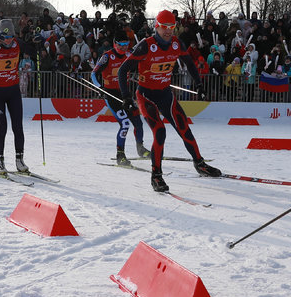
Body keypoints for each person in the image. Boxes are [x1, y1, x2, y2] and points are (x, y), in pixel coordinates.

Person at [118, 10, 221, 193]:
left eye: (171, 27)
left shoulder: (176, 43)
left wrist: (199, 84)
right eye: (164, 27)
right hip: (146, 96)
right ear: (156, 26)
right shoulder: (146, 45)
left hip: (166, 95)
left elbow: (189, 63)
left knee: (184, 128)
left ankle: (199, 164)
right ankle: (156, 176)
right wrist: (126, 96)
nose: (168, 31)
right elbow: (123, 70)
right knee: (160, 132)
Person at [90, 31, 149, 165]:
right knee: (125, 124)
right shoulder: (107, 56)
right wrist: (100, 87)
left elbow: (138, 66)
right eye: (121, 44)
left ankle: (141, 148)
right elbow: (94, 74)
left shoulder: (129, 55)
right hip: (111, 95)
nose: (123, 47)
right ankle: (120, 155)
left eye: (126, 44)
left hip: (125, 94)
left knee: (138, 122)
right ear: (115, 44)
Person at [0, 19, 27, 174]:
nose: (8, 40)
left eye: (10, 37)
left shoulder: (17, 43)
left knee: (18, 127)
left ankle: (19, 160)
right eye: (5, 37)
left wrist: (37, 42)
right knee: (2, 128)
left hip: (13, 92)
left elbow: (33, 50)